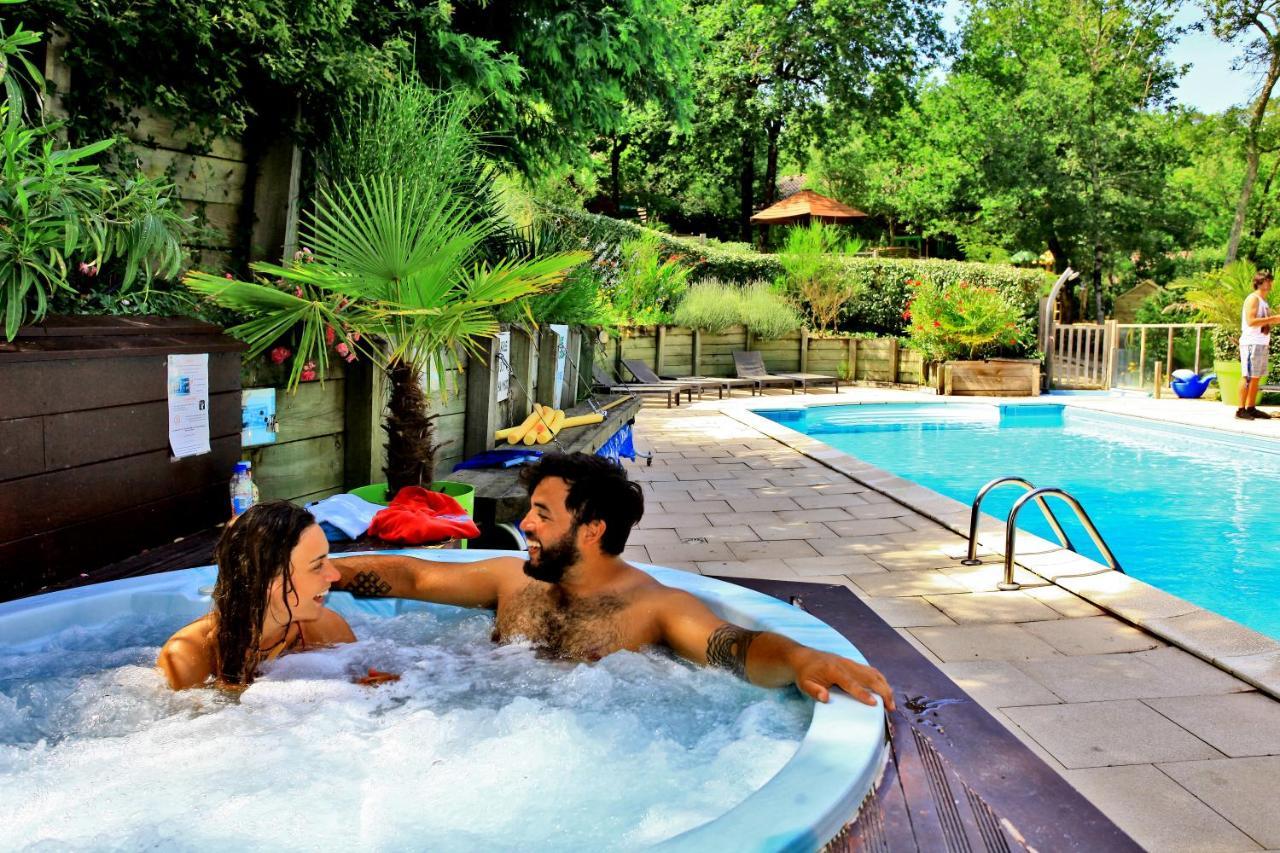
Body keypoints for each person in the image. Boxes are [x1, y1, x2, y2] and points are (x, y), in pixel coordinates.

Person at [333, 452, 895, 709]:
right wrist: (320, 573)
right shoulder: (512, 580)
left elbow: (734, 647)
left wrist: (800, 660)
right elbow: (412, 575)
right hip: (469, 715)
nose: (524, 523)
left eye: (542, 515)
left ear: (592, 529)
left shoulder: (654, 607)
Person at [157, 501, 356, 690]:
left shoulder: (328, 630)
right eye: (317, 565)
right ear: (268, 579)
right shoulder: (187, 656)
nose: (335, 575)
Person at [1239, 270, 1280, 420]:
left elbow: (1264, 322)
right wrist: (1273, 318)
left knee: (1256, 377)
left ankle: (1251, 408)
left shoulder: (1263, 301)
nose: (1270, 283)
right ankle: (1240, 409)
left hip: (1261, 343)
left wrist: (1272, 319)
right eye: (1267, 280)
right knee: (1248, 376)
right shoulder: (1253, 299)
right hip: (1251, 342)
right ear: (1260, 282)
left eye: (1270, 280)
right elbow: (1251, 321)